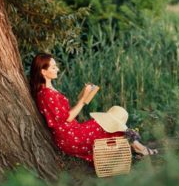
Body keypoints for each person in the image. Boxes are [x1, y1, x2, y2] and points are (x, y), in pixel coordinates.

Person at [30, 53, 158, 163]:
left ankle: (136, 147)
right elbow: (67, 118)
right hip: (71, 138)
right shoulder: (46, 94)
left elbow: (64, 114)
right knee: (107, 122)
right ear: (43, 71)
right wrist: (83, 99)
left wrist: (84, 96)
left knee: (111, 119)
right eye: (53, 67)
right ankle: (138, 148)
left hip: (73, 131)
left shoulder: (49, 90)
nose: (57, 69)